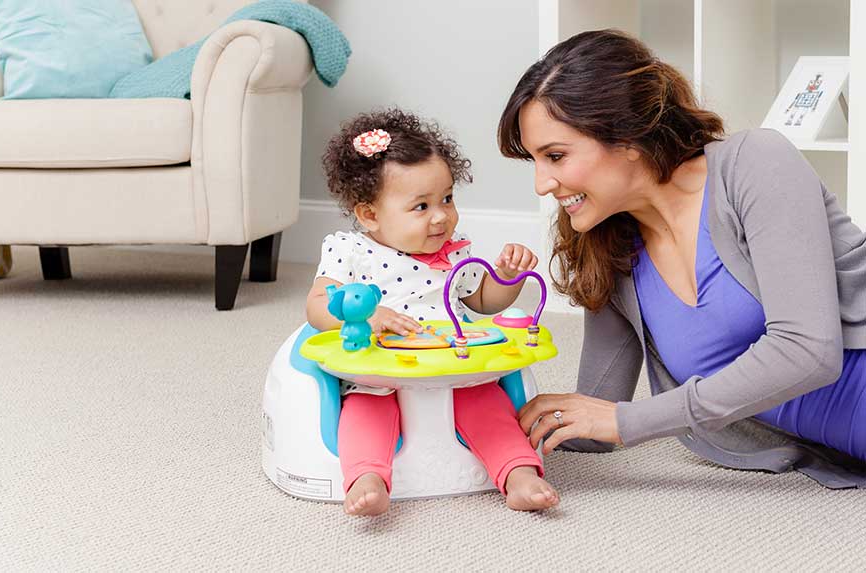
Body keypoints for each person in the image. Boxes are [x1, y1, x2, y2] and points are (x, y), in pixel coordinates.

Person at [498, 30, 866, 486]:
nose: (541, 184)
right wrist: (479, 406)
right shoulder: (609, 249)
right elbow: (594, 419)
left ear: (627, 137)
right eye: (534, 160)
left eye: (555, 156)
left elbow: (809, 352)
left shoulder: (754, 164)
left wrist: (628, 421)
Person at [306, 108, 560, 515]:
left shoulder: (454, 251)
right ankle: (367, 478)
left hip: (453, 368)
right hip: (378, 372)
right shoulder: (350, 251)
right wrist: (367, 317)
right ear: (369, 214)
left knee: (489, 405)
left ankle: (518, 473)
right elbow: (318, 305)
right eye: (421, 207)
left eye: (447, 198)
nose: (441, 215)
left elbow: (482, 301)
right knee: (365, 412)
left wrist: (507, 277)